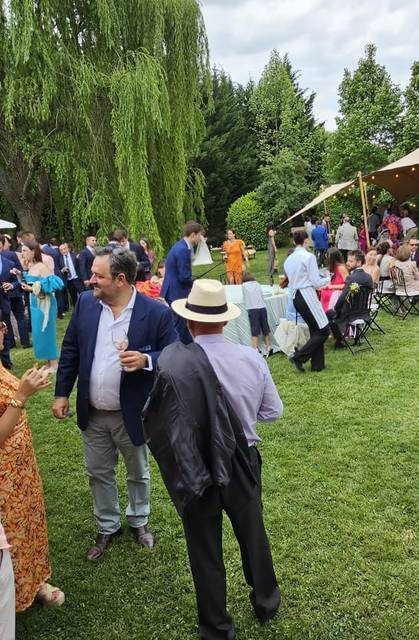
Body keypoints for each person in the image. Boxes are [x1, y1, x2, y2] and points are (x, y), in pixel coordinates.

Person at [144, 278, 281, 639]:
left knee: (204, 547)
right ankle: (266, 602)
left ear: (189, 322)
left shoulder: (173, 365)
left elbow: (163, 421)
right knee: (253, 535)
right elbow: (273, 412)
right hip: (243, 461)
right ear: (224, 320)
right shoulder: (251, 358)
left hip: (195, 464)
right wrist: (243, 417)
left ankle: (217, 627)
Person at [53, 247, 179, 561]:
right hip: (93, 412)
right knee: (98, 473)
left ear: (120, 279)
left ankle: (139, 520)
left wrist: (148, 359)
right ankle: (107, 525)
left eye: (98, 275)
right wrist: (61, 393)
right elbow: (70, 350)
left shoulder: (156, 312)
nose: (90, 280)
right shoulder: (85, 304)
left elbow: (177, 354)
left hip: (133, 413)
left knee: (138, 471)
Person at [0, 335, 65, 614]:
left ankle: (35, 583)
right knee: (11, 534)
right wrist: (21, 396)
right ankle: (11, 596)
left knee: (29, 524)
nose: (3, 329)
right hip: (3, 479)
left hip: (20, 470)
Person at [283, 230, 330, 373]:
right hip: (306, 295)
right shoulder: (308, 257)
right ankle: (299, 357)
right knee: (323, 330)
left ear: (294, 242)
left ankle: (318, 364)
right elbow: (315, 282)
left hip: (296, 296)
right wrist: (329, 278)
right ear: (306, 241)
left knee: (315, 329)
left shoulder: (288, 259)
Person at [15, 241, 64, 367]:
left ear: (33, 251)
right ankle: (48, 361)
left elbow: (54, 284)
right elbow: (31, 281)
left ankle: (54, 363)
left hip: (45, 304)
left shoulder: (42, 266)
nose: (22, 253)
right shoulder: (30, 266)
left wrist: (31, 289)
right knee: (39, 333)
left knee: (47, 331)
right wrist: (20, 274)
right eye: (22, 251)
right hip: (34, 303)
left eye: (25, 250)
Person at [162, 221, 205, 344]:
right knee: (180, 325)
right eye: (199, 235)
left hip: (173, 290)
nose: (200, 238)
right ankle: (179, 350)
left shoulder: (180, 245)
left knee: (181, 323)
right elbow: (184, 277)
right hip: (176, 292)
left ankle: (188, 347)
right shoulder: (183, 250)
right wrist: (197, 282)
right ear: (193, 235)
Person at [329, 250, 374, 348]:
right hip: (364, 312)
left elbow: (342, 298)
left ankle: (339, 341)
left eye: (350, 261)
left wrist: (336, 309)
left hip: (351, 314)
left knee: (329, 313)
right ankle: (354, 337)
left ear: (359, 262)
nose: (347, 263)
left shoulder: (351, 278)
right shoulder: (368, 277)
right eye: (347, 261)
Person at [0, 236, 29, 352]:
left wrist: (12, 285)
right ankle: (16, 342)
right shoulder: (12, 254)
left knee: (19, 317)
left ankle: (21, 342)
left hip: (13, 293)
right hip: (5, 297)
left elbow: (19, 276)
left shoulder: (10, 259)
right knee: (9, 319)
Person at [391, 244, 419, 314]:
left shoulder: (395, 264)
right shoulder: (412, 263)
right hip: (410, 289)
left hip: (398, 288)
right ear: (408, 253)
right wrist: (416, 271)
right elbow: (417, 277)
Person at [241, 273, 272, 355]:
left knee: (255, 330)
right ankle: (269, 347)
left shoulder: (244, 286)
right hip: (262, 307)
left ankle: (255, 349)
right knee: (265, 328)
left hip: (252, 309)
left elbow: (243, 297)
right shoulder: (257, 284)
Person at [59, 242, 84, 310]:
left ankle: (85, 307)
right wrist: (62, 270)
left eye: (64, 249)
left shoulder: (75, 255)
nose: (63, 251)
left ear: (68, 249)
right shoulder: (59, 258)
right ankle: (76, 310)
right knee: (73, 297)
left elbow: (81, 265)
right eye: (61, 250)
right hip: (68, 280)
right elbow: (58, 269)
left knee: (82, 294)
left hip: (77, 278)